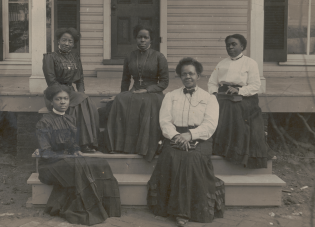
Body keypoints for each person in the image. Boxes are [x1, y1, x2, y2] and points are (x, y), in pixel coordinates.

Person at [147, 57, 225, 227]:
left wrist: (190, 135)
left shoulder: (209, 98)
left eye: (191, 73)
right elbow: (165, 121)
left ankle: (184, 212)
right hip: (174, 136)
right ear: (180, 77)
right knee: (171, 156)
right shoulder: (170, 96)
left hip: (200, 138)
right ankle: (172, 208)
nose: (187, 77)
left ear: (198, 76)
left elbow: (210, 124)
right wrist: (176, 137)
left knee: (190, 160)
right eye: (184, 74)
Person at [36, 85, 121, 226]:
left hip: (68, 161)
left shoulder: (70, 119)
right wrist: (68, 156)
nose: (63, 102)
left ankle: (106, 208)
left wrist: (76, 150)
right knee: (79, 166)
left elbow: (73, 143)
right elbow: (46, 152)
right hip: (50, 165)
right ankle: (87, 210)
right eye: (58, 99)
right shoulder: (44, 122)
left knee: (100, 164)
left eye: (65, 99)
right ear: (51, 101)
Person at [105, 24, 169, 161]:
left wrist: (147, 90)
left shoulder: (159, 57)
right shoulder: (130, 56)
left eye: (146, 37)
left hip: (153, 93)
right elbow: (125, 79)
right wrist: (122, 95)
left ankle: (143, 146)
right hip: (135, 90)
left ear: (151, 40)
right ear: (136, 39)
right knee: (119, 100)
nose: (142, 40)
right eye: (140, 37)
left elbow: (164, 82)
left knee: (146, 102)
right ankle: (120, 145)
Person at [208, 34, 273, 169]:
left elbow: (255, 85)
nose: (230, 47)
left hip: (245, 97)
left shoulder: (250, 63)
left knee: (233, 109)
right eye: (228, 45)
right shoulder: (221, 63)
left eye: (233, 44)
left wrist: (239, 91)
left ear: (242, 46)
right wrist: (214, 94)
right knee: (214, 108)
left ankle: (236, 152)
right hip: (224, 95)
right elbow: (212, 82)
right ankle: (220, 149)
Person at [42, 27, 99, 153]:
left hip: (70, 91)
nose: (67, 44)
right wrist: (67, 95)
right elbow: (51, 81)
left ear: (73, 44)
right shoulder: (50, 57)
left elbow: (80, 80)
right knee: (78, 102)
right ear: (58, 41)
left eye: (70, 41)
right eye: (64, 40)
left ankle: (85, 142)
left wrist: (81, 93)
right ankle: (79, 143)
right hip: (54, 93)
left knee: (85, 100)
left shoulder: (75, 57)